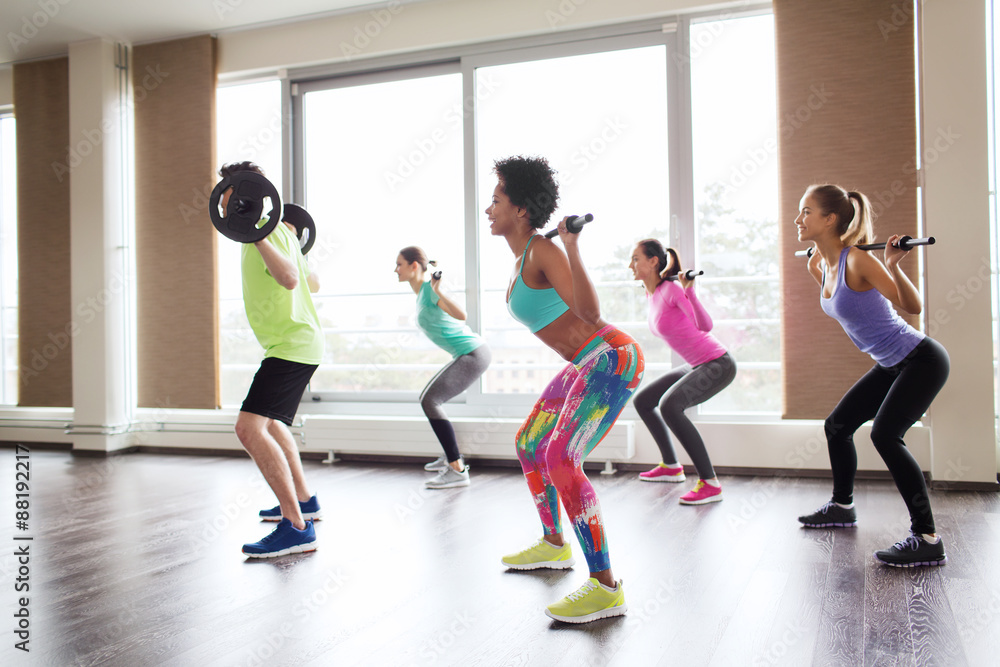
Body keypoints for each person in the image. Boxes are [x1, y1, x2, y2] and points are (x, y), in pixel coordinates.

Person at [487, 155, 644, 623]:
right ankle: (555, 545)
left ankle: (605, 586)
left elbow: (592, 315)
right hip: (586, 362)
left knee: (560, 457)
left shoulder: (543, 250)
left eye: (496, 200)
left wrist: (572, 246)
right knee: (530, 442)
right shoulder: (523, 258)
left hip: (611, 356)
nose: (487, 209)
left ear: (520, 210)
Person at [795, 184, 950, 568]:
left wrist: (893, 264)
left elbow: (913, 307)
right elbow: (842, 306)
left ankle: (927, 537)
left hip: (920, 358)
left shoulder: (860, 261)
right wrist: (818, 261)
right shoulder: (821, 264)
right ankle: (842, 506)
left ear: (830, 219)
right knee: (837, 426)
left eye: (806, 211)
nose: (799, 219)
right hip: (889, 363)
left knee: (884, 434)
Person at [217, 161, 325, 559]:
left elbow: (293, 280)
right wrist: (284, 243)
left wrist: (260, 237)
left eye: (227, 192)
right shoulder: (284, 232)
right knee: (273, 425)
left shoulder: (267, 234)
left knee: (248, 429)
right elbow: (314, 281)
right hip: (296, 344)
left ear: (244, 194)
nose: (223, 201)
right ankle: (305, 501)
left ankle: (296, 526)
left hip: (292, 346)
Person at [629, 242, 736, 504]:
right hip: (698, 364)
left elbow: (705, 326)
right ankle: (671, 466)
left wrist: (690, 292)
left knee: (670, 406)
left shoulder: (672, 290)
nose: (630, 265)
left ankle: (710, 483)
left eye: (635, 259)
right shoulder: (651, 293)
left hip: (717, 363)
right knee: (643, 401)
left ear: (653, 261)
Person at [394, 246, 492, 489]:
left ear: (414, 265)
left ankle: (457, 469)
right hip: (467, 354)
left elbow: (461, 315)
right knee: (427, 399)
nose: (395, 269)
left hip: (473, 353)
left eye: (399, 264)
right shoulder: (420, 294)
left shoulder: (429, 290)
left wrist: (437, 290)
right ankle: (450, 456)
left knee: (430, 401)